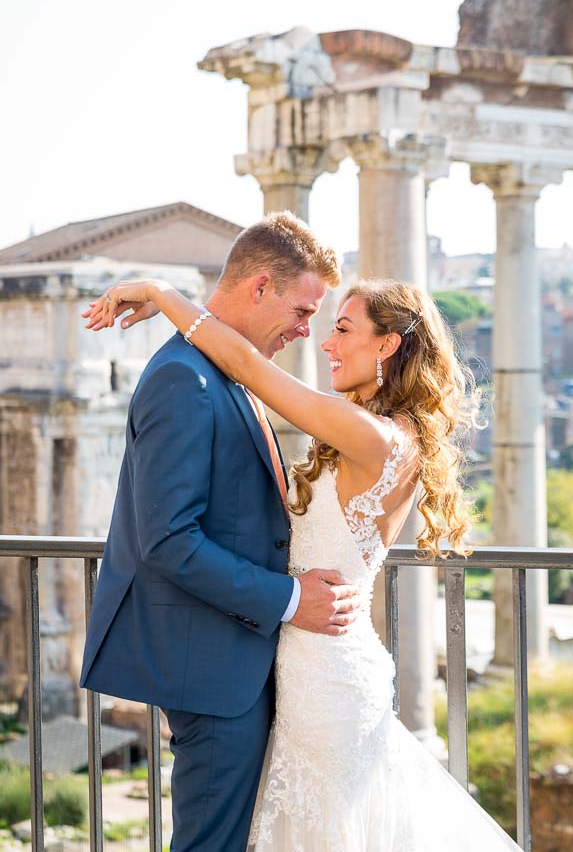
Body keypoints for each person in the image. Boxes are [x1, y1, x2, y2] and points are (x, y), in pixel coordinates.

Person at [85, 271, 520, 851]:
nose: (326, 343)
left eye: (342, 328)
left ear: (387, 345)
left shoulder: (374, 436)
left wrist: (163, 295)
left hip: (326, 671)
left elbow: (249, 368)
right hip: (305, 660)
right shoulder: (378, 431)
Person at [79, 212, 362, 852]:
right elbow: (168, 541)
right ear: (259, 286)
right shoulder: (186, 378)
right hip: (210, 669)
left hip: (236, 658)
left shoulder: (228, 371)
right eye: (301, 308)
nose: (305, 329)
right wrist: (291, 601)